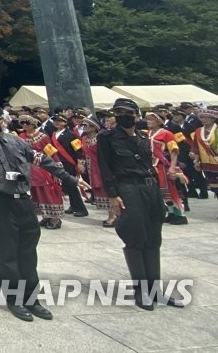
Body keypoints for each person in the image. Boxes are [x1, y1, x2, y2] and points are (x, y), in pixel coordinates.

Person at [0, 103, 88, 322]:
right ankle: (14, 300)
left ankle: (32, 299)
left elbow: (42, 160)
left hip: (23, 201)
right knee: (7, 254)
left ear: (2, 121)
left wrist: (71, 179)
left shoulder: (17, 141)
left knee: (28, 252)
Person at [97, 98, 184, 310]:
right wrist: (112, 195)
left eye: (126, 112)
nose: (121, 116)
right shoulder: (106, 138)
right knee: (136, 236)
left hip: (150, 188)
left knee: (154, 238)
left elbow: (148, 165)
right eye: (117, 112)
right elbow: (105, 167)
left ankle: (155, 291)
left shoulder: (143, 137)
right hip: (127, 188)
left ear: (136, 115)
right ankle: (141, 291)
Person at [48, 114, 88, 217]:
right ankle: (73, 205)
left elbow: (78, 149)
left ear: (65, 122)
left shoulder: (70, 134)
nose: (57, 122)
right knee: (66, 186)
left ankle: (81, 208)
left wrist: (79, 163)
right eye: (55, 120)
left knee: (72, 185)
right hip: (58, 162)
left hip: (69, 162)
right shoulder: (53, 133)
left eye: (60, 121)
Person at [189, 107, 218, 199]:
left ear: (213, 118)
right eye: (202, 117)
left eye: (207, 117)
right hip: (207, 164)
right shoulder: (198, 131)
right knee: (215, 188)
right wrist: (195, 159)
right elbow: (195, 147)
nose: (204, 120)